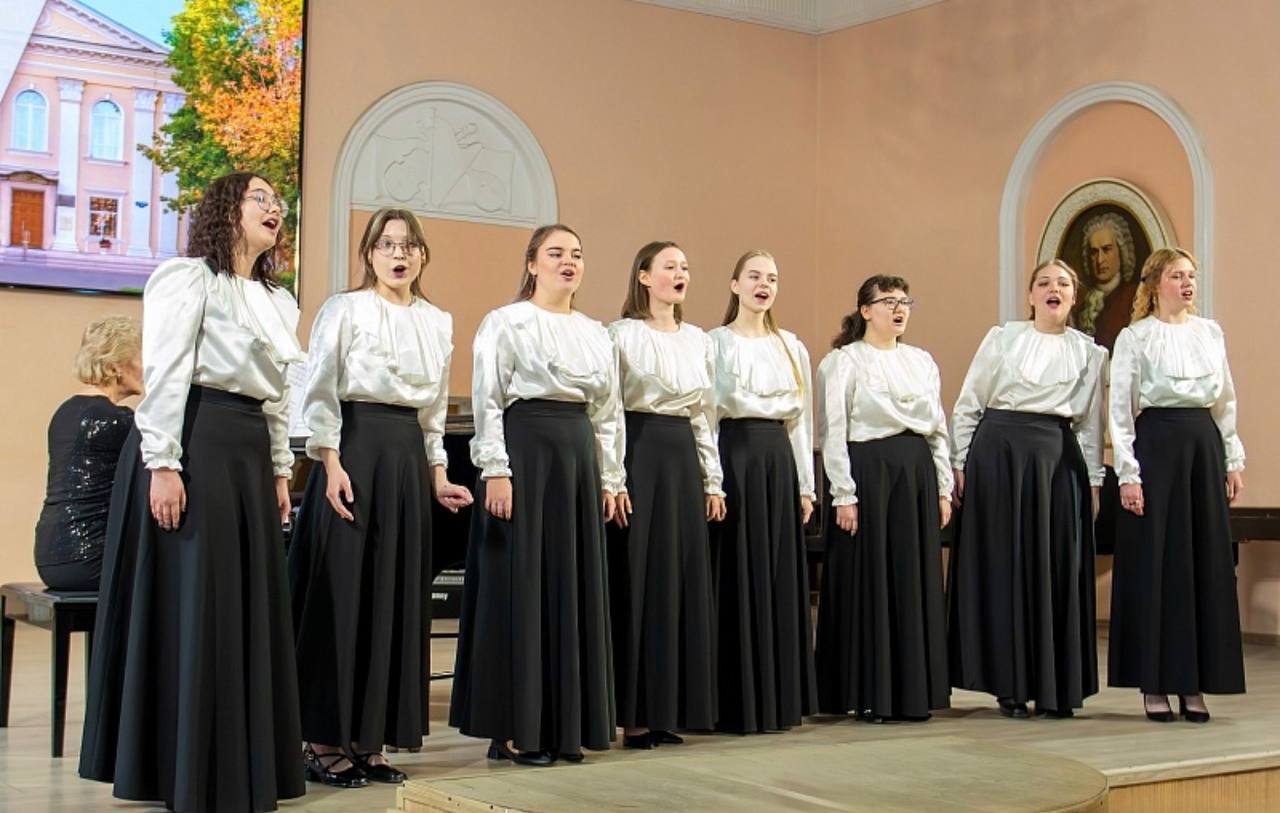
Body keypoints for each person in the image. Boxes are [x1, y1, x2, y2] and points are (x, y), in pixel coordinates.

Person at [79, 172, 306, 813]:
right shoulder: (188, 278)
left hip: (247, 451)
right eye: (259, 197)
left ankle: (239, 764)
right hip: (196, 439)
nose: (273, 208)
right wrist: (163, 462)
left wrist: (280, 469)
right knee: (197, 600)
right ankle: (184, 767)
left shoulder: (278, 299)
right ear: (227, 209)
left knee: (244, 602)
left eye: (277, 201)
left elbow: (278, 395)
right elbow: (168, 371)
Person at [289, 208, 473, 787]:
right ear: (369, 253)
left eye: (409, 245)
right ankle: (322, 740)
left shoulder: (437, 321)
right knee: (343, 598)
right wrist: (330, 463)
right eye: (388, 244)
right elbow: (320, 391)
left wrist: (438, 475)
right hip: (354, 453)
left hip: (406, 461)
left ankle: (369, 740)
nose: (399, 254)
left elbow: (433, 412)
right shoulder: (344, 309)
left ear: (422, 255)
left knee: (393, 599)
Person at [449, 224, 625, 765]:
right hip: (524, 455)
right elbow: (488, 400)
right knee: (520, 585)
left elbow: (608, 413)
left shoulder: (596, 332)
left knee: (570, 587)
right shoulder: (506, 322)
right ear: (532, 264)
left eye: (576, 254)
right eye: (555, 253)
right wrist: (496, 470)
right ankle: (512, 727)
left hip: (576, 461)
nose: (568, 262)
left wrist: (610, 477)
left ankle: (563, 726)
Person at [949, 259, 1106, 719]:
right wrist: (959, 462)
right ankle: (1010, 685)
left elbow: (1091, 424)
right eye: (1044, 283)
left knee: (1055, 566)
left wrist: (1094, 480)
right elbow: (969, 403)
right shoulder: (1003, 339)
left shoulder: (1090, 353)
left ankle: (1055, 687)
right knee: (1007, 565)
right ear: (1031, 295)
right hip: (999, 456)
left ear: (1073, 296)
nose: (1054, 289)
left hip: (1058, 459)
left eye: (1063, 283)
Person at [1108, 247, 1246, 724]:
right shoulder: (1135, 337)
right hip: (1157, 449)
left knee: (1201, 562)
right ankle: (1154, 682)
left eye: (1191, 276)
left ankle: (1193, 683)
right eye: (1176, 275)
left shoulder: (1210, 333)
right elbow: (1120, 411)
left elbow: (1225, 400)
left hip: (1202, 447)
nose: (1187, 284)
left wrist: (1231, 458)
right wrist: (1128, 473)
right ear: (1154, 284)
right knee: (1157, 562)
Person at [814, 275, 951, 722]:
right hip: (868, 474)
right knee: (869, 579)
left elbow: (937, 429)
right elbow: (833, 431)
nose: (898, 309)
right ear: (865, 310)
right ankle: (869, 691)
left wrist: (943, 488)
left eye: (904, 301)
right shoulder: (843, 362)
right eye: (888, 301)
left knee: (911, 579)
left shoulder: (921, 361)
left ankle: (911, 693)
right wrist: (843, 493)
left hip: (916, 475)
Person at [607, 241, 724, 748]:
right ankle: (633, 715)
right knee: (638, 579)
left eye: (685, 267)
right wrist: (613, 477)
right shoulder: (620, 335)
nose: (681, 274)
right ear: (644, 276)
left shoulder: (698, 340)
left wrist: (712, 479)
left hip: (682, 460)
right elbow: (609, 411)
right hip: (639, 453)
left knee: (678, 580)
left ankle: (666, 710)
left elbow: (704, 415)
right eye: (670, 266)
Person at [708, 249, 817, 734]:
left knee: (776, 572)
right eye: (754, 276)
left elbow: (801, 422)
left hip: (778, 462)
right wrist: (711, 478)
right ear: (735, 285)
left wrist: (805, 486)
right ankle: (734, 700)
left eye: (771, 278)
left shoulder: (791, 346)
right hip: (735, 457)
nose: (763, 285)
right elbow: (708, 416)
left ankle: (778, 697)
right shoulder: (715, 343)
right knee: (734, 571)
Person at [34, 316, 141, 591]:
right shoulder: (119, 420)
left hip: (48, 558)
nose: (148, 368)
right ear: (117, 366)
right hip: (91, 560)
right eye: (141, 358)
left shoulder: (64, 412)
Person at [1073, 212, 1138, 351]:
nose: (1100, 260)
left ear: (1121, 251)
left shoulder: (1134, 297)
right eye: (1094, 252)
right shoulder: (1082, 304)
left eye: (1107, 249)